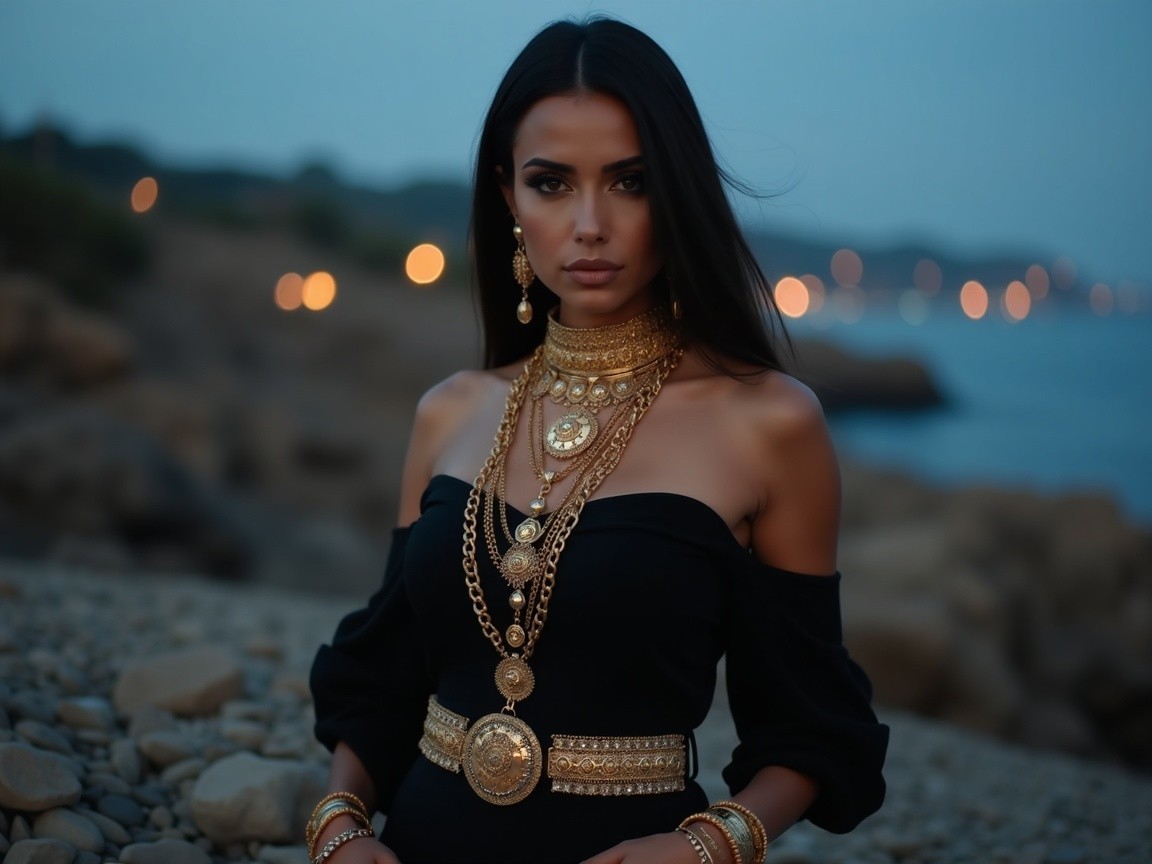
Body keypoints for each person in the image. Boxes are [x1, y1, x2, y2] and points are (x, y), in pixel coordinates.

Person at [308, 16, 887, 864]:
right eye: (550, 184)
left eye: (630, 182)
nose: (589, 224)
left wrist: (708, 847)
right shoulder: (450, 410)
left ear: (678, 191)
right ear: (507, 194)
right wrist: (338, 824)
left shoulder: (772, 424)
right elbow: (384, 678)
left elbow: (810, 724)